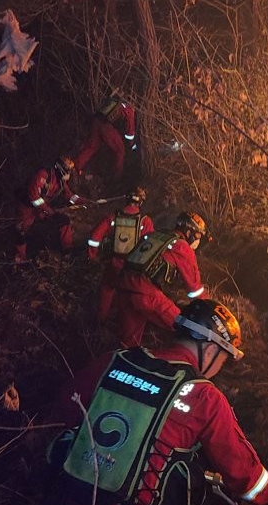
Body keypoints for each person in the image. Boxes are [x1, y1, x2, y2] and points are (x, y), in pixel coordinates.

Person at [42, 299, 268, 505]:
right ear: (211, 348)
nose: (220, 367)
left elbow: (67, 407)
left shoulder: (116, 359)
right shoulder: (204, 396)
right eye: (224, 358)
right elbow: (243, 473)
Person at [114, 211, 208, 347]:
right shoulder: (182, 246)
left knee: (128, 344)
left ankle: (123, 363)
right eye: (198, 236)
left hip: (125, 288)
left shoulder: (154, 235)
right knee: (185, 328)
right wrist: (209, 310)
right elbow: (194, 288)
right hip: (147, 294)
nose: (198, 241)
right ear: (189, 232)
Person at [87, 186, 155, 323]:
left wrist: (92, 255)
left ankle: (100, 322)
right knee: (129, 298)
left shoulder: (114, 217)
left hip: (114, 263)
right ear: (141, 202)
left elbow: (95, 236)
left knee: (107, 289)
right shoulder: (145, 221)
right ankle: (122, 324)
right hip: (133, 269)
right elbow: (150, 247)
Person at [14, 156, 88, 263]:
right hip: (27, 208)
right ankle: (20, 259)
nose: (69, 173)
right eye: (68, 170)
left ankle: (67, 251)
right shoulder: (43, 175)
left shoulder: (61, 181)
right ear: (60, 168)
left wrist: (83, 201)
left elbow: (69, 196)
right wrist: (49, 211)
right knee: (21, 232)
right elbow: (34, 198)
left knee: (64, 221)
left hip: (43, 210)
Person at [74, 91, 137, 179]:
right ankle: (117, 177)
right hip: (105, 126)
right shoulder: (129, 109)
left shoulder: (116, 100)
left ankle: (75, 167)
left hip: (96, 121)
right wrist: (132, 144)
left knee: (91, 147)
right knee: (120, 150)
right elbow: (130, 131)